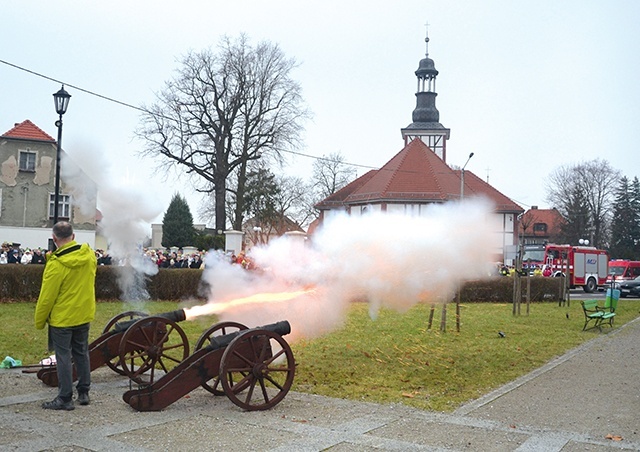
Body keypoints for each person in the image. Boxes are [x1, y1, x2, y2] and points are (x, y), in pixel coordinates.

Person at [34, 222, 97, 410]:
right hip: (83, 313)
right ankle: (84, 391)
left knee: (63, 356)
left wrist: (40, 320)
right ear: (74, 236)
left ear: (54, 239)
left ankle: (65, 397)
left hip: (63, 317)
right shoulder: (89, 256)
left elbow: (47, 298)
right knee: (81, 352)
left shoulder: (56, 264)